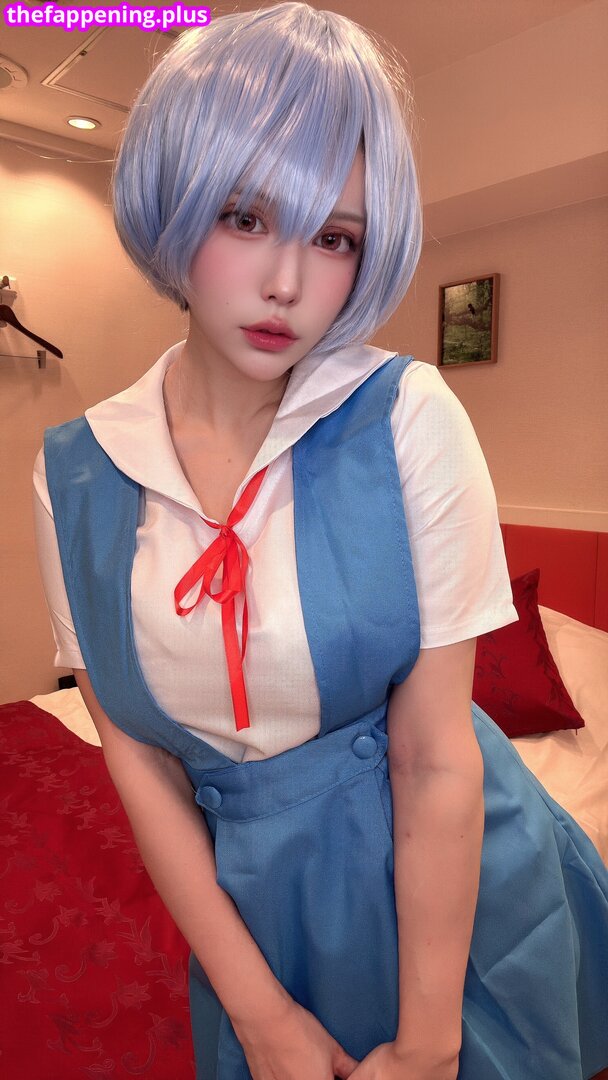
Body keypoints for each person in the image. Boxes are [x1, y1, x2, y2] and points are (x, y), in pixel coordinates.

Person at [33, 4, 608, 1079]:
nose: (288, 284)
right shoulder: (76, 471)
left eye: (334, 237)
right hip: (257, 907)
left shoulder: (407, 418)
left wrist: (429, 1046)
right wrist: (259, 1014)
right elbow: (138, 760)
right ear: (176, 200)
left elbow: (433, 752)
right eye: (246, 217)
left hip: (452, 895)